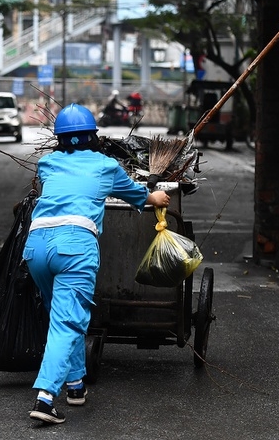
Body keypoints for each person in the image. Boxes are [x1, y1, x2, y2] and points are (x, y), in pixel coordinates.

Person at [23, 103, 171, 425]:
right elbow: (136, 195)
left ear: (58, 139)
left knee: (63, 317)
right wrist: (155, 197)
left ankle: (75, 386)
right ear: (93, 137)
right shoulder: (106, 166)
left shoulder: (47, 164)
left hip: (36, 247)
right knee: (68, 320)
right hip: (74, 247)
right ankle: (46, 397)